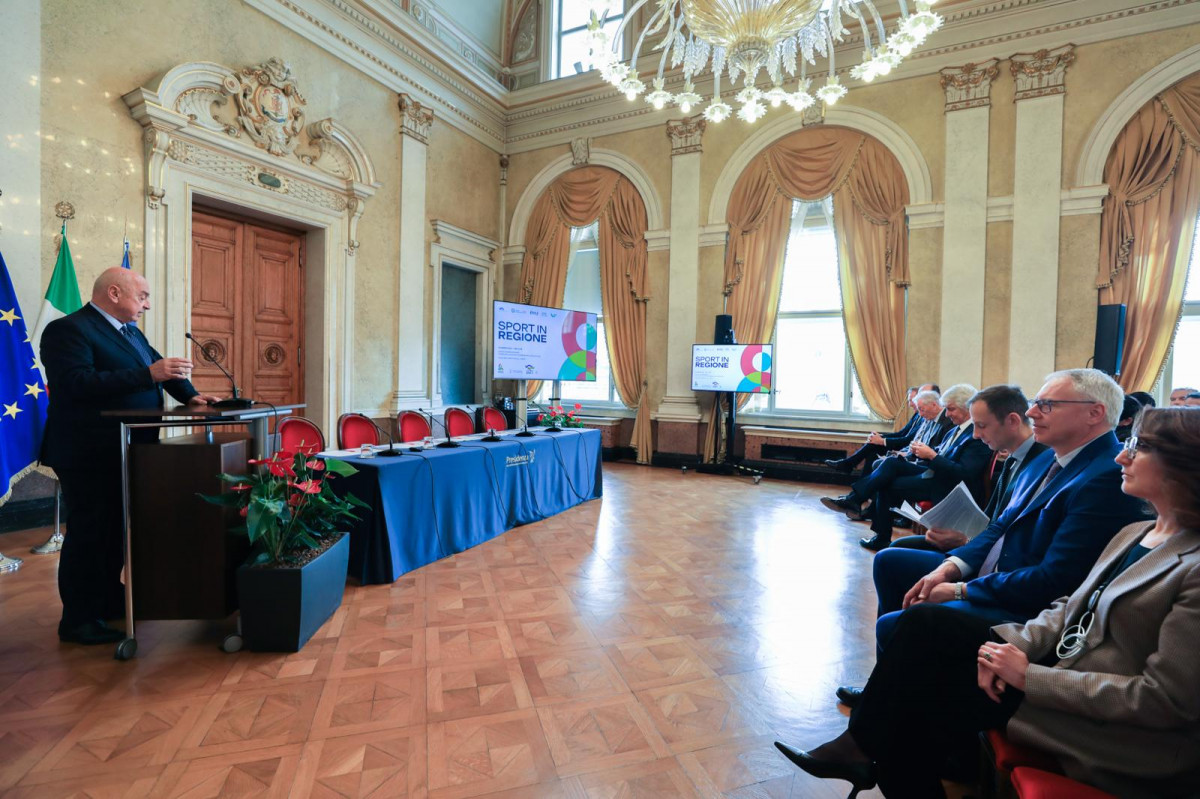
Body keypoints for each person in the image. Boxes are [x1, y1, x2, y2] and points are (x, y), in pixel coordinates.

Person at [775, 406, 1200, 798]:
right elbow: (1071, 606)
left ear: (1186, 465)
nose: (1122, 456)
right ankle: (859, 747)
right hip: (1059, 671)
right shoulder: (1135, 533)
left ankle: (858, 747)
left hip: (1109, 728)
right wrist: (1014, 648)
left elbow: (1165, 702)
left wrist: (1028, 676)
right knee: (921, 650)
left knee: (911, 707)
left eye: (1139, 447)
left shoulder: (1193, 567)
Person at [863, 369, 1150, 659]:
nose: (1032, 412)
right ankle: (898, 666)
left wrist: (961, 590)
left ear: (1094, 413)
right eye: (1035, 402)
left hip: (1028, 606)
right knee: (890, 562)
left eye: (1047, 405)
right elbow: (999, 527)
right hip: (997, 573)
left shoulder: (1107, 476)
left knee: (901, 623)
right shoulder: (1048, 458)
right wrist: (949, 568)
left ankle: (902, 669)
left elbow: (1056, 580)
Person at [40, 267, 219, 645]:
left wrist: (192, 396)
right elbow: (75, 384)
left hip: (128, 447)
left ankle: (106, 600)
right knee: (90, 533)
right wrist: (148, 375)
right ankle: (77, 620)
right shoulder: (68, 330)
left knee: (115, 531)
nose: (147, 305)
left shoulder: (130, 332)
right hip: (88, 452)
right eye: (143, 296)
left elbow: (161, 369)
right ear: (114, 293)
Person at [891, 384, 1048, 553]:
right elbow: (993, 522)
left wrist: (965, 543)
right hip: (981, 543)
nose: (975, 434)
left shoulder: (1042, 463)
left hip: (992, 556)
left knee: (891, 555)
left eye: (981, 425)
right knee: (896, 548)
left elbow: (1020, 542)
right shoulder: (1015, 457)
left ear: (1012, 421)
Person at [847, 384, 992, 553]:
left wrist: (931, 456)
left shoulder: (975, 434)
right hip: (936, 475)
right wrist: (921, 452)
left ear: (967, 407)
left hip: (947, 486)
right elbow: (941, 453)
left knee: (886, 485)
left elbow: (964, 474)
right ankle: (857, 501)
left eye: (951, 409)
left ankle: (875, 529)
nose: (947, 414)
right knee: (892, 462)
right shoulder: (959, 428)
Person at [818, 390, 952, 520]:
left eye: (921, 409)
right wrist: (902, 450)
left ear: (934, 404)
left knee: (888, 465)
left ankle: (856, 500)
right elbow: (910, 438)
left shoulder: (944, 422)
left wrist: (902, 451)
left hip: (926, 467)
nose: (920, 413)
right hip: (915, 458)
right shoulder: (930, 418)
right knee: (880, 459)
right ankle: (860, 503)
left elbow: (932, 451)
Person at [824, 384, 939, 474]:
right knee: (872, 449)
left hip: (907, 450)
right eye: (911, 400)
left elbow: (907, 440)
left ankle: (848, 466)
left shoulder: (926, 416)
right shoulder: (918, 414)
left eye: (913, 399)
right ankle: (860, 485)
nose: (911, 404)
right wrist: (880, 437)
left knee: (873, 446)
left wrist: (881, 440)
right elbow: (902, 433)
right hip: (904, 446)